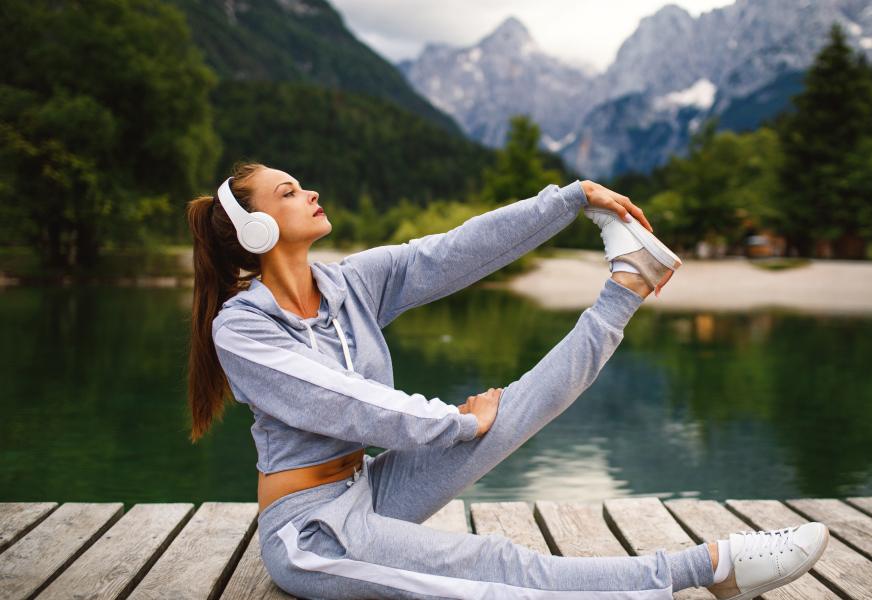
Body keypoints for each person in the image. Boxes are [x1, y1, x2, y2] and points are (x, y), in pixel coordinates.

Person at [186, 162, 828, 600]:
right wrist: (458, 422)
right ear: (256, 230)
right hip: (310, 532)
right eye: (288, 192)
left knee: (517, 410)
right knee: (494, 565)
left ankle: (628, 283)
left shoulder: (347, 284)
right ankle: (709, 568)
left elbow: (455, 250)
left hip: (368, 489)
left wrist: (572, 198)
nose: (309, 192)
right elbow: (344, 402)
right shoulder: (242, 329)